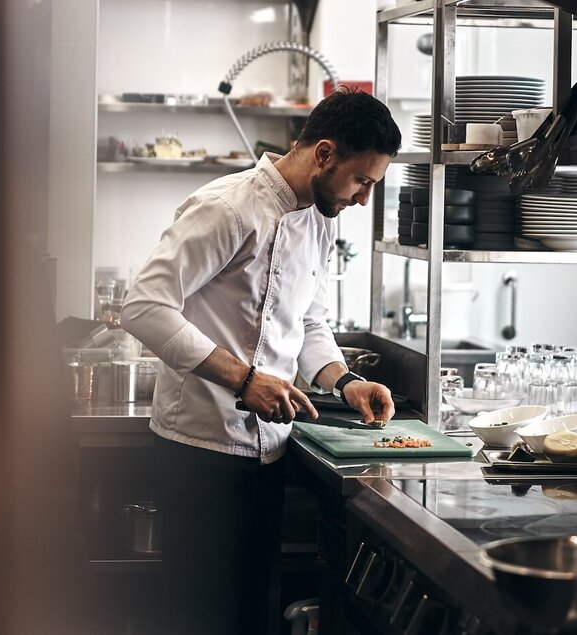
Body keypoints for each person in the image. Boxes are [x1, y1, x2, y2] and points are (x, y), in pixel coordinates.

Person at [120, 89, 403, 635]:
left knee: (249, 613)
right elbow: (143, 306)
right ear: (324, 154)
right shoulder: (226, 207)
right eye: (363, 181)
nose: (365, 198)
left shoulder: (322, 217)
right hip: (198, 448)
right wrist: (243, 380)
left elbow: (309, 320)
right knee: (197, 618)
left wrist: (344, 381)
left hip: (268, 453)